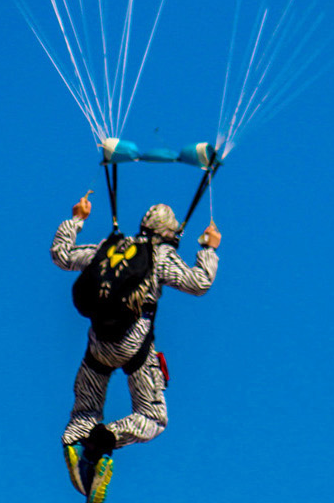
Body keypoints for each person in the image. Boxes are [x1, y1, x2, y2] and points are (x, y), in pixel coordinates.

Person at [50, 192, 219, 501]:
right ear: (168, 233)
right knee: (153, 416)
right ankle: (105, 440)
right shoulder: (161, 256)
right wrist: (208, 249)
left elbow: (61, 255)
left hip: (98, 344)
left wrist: (77, 219)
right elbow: (199, 283)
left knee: (87, 407)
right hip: (134, 347)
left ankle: (76, 441)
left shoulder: (109, 245)